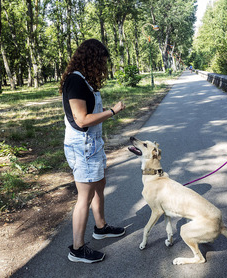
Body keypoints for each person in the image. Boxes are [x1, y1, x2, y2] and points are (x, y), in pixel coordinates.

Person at [59, 39, 126, 263]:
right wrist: (112, 111)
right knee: (84, 198)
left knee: (100, 185)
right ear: (92, 59)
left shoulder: (84, 81)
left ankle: (101, 227)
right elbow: (82, 120)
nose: (103, 68)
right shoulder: (76, 82)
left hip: (93, 145)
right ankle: (77, 249)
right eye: (101, 63)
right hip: (83, 147)